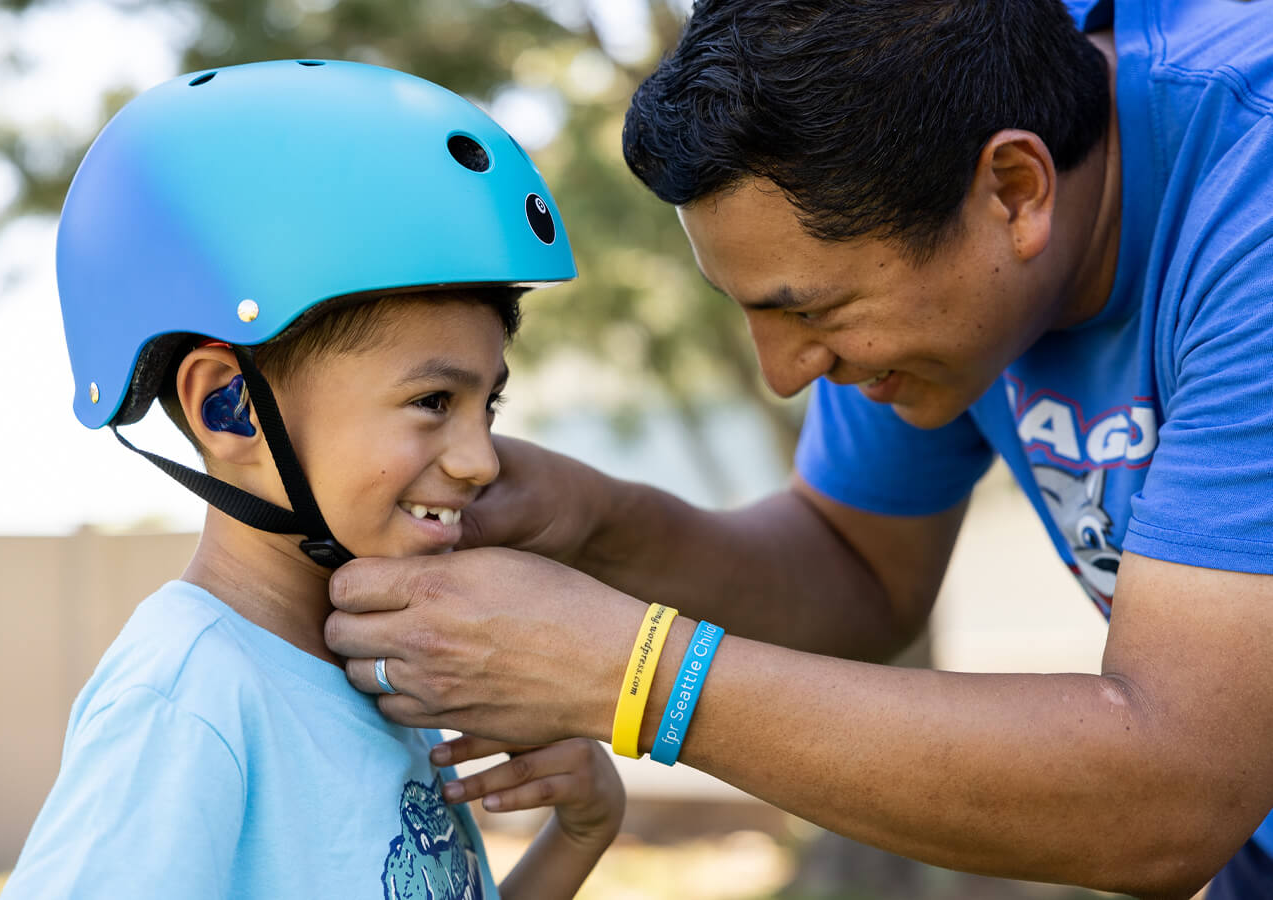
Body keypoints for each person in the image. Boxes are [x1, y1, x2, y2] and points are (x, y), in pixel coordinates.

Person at [321, 1, 1273, 898]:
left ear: (1015, 191)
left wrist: (631, 674)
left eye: (810, 310)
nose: (785, 374)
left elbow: (1172, 790)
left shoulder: (1249, 186)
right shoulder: (927, 120)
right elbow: (855, 575)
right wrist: (594, 523)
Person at [1, 60, 623, 900]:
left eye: (489, 404)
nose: (483, 461)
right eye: (433, 401)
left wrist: (581, 833)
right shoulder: (191, 698)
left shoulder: (378, 671)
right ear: (230, 410)